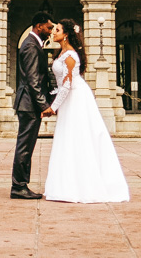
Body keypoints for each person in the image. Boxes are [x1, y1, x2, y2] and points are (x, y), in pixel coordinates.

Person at [42, 18, 130, 203]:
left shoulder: (71, 56)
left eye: (57, 29)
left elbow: (67, 84)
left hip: (76, 98)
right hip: (69, 98)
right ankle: (67, 183)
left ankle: (81, 185)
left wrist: (53, 107)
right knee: (69, 138)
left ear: (65, 34)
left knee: (78, 138)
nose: (53, 32)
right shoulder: (62, 53)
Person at [11, 11, 55, 199]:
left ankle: (21, 184)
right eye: (49, 27)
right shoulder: (30, 46)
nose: (51, 31)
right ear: (39, 26)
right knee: (25, 146)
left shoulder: (34, 43)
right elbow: (32, 80)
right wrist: (43, 105)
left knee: (27, 146)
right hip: (29, 104)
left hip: (29, 103)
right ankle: (19, 186)